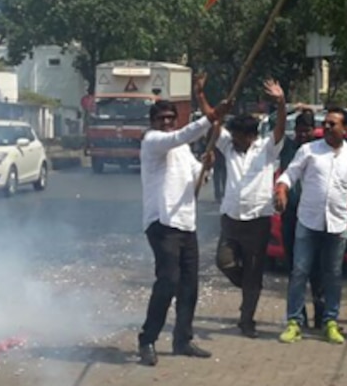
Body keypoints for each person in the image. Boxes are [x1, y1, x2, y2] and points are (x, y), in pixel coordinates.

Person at [137, 74, 227, 367]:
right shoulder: (153, 142)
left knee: (189, 285)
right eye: (161, 118)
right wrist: (209, 117)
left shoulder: (183, 149)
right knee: (168, 281)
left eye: (170, 118)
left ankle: (182, 339)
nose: (166, 122)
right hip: (162, 224)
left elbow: (195, 178)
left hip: (186, 223)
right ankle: (147, 339)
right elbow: (180, 136)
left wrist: (207, 167)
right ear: (154, 122)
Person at [274, 106, 347, 346]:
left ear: (345, 128)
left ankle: (330, 321)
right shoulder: (309, 151)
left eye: (332, 124)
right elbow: (289, 175)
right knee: (299, 271)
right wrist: (281, 190)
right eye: (325, 123)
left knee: (333, 275)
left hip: (337, 224)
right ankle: (294, 322)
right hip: (307, 222)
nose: (326, 127)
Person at [215, 80, 287, 339]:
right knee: (223, 261)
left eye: (238, 137)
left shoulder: (266, 150)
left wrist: (281, 103)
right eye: (232, 136)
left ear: (250, 136)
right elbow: (213, 126)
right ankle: (248, 284)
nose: (233, 140)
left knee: (254, 271)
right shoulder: (229, 148)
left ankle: (247, 320)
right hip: (231, 218)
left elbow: (280, 128)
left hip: (257, 220)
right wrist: (205, 99)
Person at [280, 109, 324, 329]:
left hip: (314, 217)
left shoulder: (319, 149)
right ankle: (298, 316)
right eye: (299, 131)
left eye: (306, 130)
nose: (302, 135)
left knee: (317, 269)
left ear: (313, 130)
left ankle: (322, 316)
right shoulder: (287, 148)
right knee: (295, 269)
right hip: (290, 217)